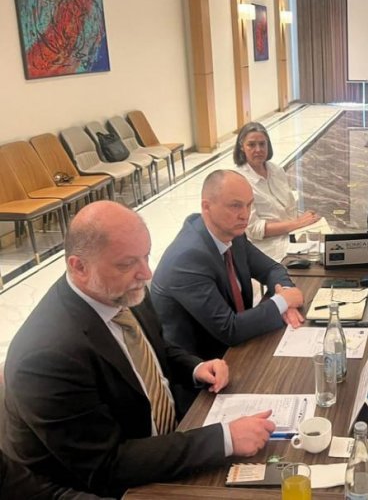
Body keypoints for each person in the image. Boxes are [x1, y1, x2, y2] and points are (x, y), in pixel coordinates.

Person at [2, 202, 276, 497]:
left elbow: (153, 348)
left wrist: (195, 368)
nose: (146, 273)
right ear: (79, 267)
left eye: (146, 256)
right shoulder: (48, 357)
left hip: (163, 445)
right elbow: (107, 465)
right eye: (127, 264)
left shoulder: (117, 290)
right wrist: (223, 439)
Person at [151, 170, 304, 360]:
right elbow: (229, 329)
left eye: (249, 205)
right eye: (235, 206)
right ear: (206, 207)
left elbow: (272, 269)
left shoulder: (232, 234)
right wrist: (282, 301)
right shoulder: (187, 258)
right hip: (204, 364)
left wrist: (286, 294)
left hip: (239, 348)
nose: (245, 215)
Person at [233, 122, 319, 260]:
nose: (258, 149)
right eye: (251, 145)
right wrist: (298, 223)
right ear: (242, 147)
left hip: (293, 236)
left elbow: (289, 208)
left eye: (262, 144)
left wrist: (305, 220)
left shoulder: (276, 170)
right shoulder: (239, 181)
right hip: (267, 249)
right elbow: (253, 230)